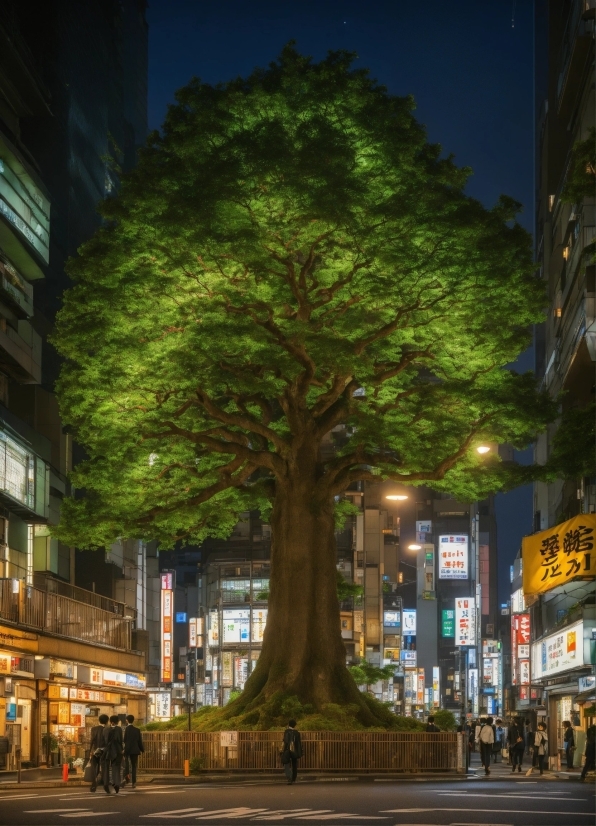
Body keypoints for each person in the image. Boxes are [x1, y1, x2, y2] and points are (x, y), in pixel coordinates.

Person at [101, 714, 123, 793]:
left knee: (106, 768)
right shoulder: (119, 729)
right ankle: (116, 783)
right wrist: (121, 750)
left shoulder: (105, 729)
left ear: (110, 721)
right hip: (116, 751)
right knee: (116, 768)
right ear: (116, 722)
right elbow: (120, 740)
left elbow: (103, 741)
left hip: (107, 751)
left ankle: (106, 784)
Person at [88, 714, 109, 793]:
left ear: (99, 720)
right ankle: (105, 785)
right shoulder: (107, 729)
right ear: (107, 721)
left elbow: (92, 740)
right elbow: (107, 742)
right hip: (103, 751)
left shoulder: (93, 729)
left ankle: (94, 785)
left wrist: (90, 751)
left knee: (94, 768)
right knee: (104, 768)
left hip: (95, 751)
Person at [123, 714, 144, 788]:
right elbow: (139, 741)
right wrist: (142, 749)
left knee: (126, 764)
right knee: (134, 766)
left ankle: (126, 777)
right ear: (133, 720)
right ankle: (134, 782)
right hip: (135, 750)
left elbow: (124, 740)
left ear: (127, 720)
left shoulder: (126, 729)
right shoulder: (137, 730)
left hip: (128, 749)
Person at [281, 719, 302, 784]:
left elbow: (285, 741)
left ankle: (289, 777)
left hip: (287, 749)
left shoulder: (286, 731)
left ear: (288, 724)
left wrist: (283, 750)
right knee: (294, 764)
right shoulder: (297, 733)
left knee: (286, 763)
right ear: (294, 725)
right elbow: (298, 743)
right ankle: (293, 778)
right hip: (295, 750)